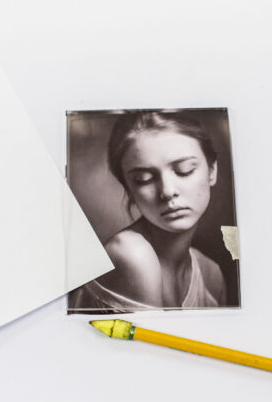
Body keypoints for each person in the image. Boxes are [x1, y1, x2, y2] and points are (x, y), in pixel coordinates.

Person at [71, 111, 227, 311]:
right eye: (144, 179)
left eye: (184, 170)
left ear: (212, 171)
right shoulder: (130, 252)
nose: (168, 191)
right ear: (129, 189)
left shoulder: (211, 274)